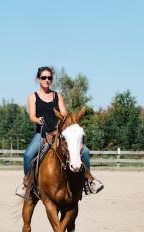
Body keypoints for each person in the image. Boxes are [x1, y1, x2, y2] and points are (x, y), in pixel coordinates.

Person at [15, 66, 103, 198]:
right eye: (44, 77)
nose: (47, 80)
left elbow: (64, 114)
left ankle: (88, 181)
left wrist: (69, 122)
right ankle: (28, 185)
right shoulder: (32, 97)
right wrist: (38, 120)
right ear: (38, 79)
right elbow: (32, 116)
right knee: (28, 155)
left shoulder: (57, 96)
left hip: (58, 133)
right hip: (43, 133)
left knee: (85, 151)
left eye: (49, 78)